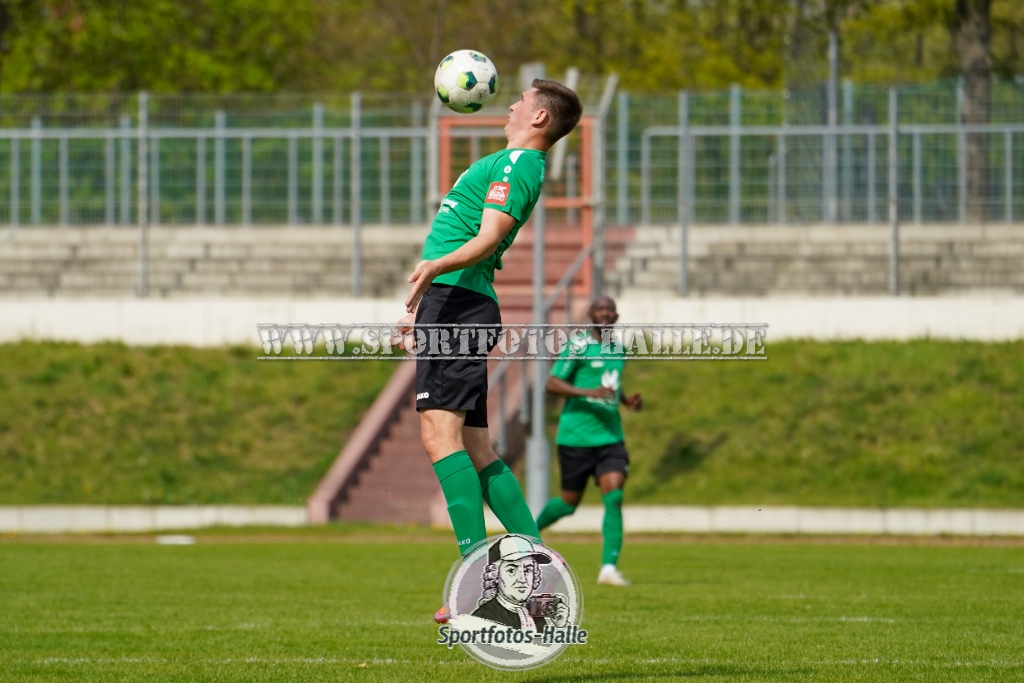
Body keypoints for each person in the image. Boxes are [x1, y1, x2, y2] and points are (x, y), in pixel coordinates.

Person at [396, 81, 584, 567]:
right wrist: (426, 300)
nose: (512, 105)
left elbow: (490, 235)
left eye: (520, 100)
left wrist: (436, 269)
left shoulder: (518, 163)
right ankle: (539, 563)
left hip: (457, 303)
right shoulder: (514, 162)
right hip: (456, 301)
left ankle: (475, 570)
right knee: (476, 445)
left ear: (539, 117)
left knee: (440, 436)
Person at [535, 296, 642, 586]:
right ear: (590, 316)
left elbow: (610, 383)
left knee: (614, 498)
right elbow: (552, 383)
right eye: (599, 310)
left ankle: (608, 569)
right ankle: (528, 534)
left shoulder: (618, 349)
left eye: (609, 310)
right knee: (568, 504)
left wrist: (626, 401)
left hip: (610, 437)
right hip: (576, 437)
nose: (605, 314)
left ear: (616, 316)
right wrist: (587, 393)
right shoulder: (577, 345)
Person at [472, 535, 569, 631]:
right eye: (511, 570)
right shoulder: (484, 618)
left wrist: (560, 626)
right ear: (495, 575)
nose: (523, 579)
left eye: (528, 570)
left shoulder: (535, 614)